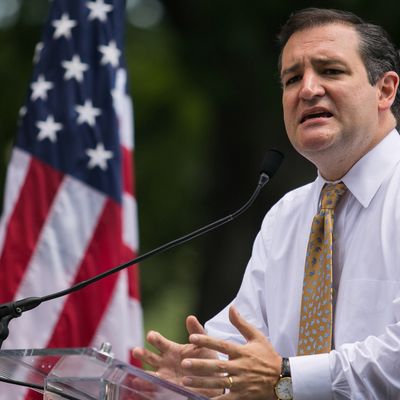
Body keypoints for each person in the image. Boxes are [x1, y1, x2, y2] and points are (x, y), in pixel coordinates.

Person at [133, 8, 400, 399]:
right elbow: (243, 346)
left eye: (330, 71)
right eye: (293, 78)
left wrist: (287, 377)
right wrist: (198, 374)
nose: (307, 89)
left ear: (385, 90)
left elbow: (274, 375)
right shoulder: (286, 216)